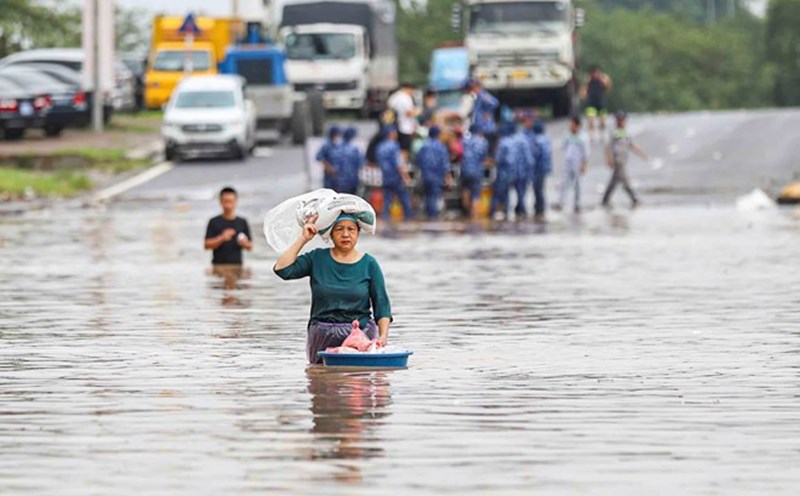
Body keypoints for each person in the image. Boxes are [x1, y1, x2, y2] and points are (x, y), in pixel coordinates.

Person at [274, 213, 393, 364]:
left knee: (358, 382)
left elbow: (382, 305)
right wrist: (303, 238)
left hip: (360, 332)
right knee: (322, 379)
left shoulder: (369, 264)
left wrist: (383, 337)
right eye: (339, 229)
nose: (345, 234)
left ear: (358, 233)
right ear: (330, 233)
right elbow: (282, 270)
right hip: (322, 334)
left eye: (351, 229)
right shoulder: (317, 258)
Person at [602, 111, 647, 208]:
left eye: (623, 120)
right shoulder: (614, 132)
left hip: (623, 159)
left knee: (614, 182)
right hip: (617, 160)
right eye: (619, 120)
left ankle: (605, 200)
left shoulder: (626, 132)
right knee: (625, 181)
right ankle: (634, 199)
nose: (621, 122)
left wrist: (640, 153)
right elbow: (608, 146)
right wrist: (608, 158)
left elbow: (630, 145)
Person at [204, 186, 253, 265]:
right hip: (218, 266)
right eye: (226, 202)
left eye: (231, 202)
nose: (228, 205)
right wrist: (222, 238)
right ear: (220, 202)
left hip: (237, 265)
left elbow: (250, 246)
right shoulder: (213, 221)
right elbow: (206, 245)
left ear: (236, 201)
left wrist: (243, 243)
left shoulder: (242, 222)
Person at [553, 117, 590, 213]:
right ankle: (560, 202)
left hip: (578, 162)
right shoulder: (567, 135)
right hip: (568, 162)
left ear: (577, 126)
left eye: (572, 125)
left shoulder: (584, 137)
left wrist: (584, 164)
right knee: (564, 182)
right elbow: (564, 146)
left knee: (578, 184)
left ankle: (577, 204)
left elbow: (586, 152)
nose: (570, 126)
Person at [415, 126, 452, 219]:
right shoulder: (441, 147)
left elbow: (418, 160)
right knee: (433, 197)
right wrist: (448, 178)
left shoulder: (423, 146)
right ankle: (432, 219)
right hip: (436, 177)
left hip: (425, 176)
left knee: (427, 197)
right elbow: (445, 164)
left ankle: (429, 216)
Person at [376, 126, 413, 220]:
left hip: (385, 176)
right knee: (404, 198)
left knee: (387, 199)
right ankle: (408, 218)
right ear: (391, 134)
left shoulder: (380, 147)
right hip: (396, 177)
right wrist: (406, 176)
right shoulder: (394, 146)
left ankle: (385, 218)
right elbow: (398, 163)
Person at [489, 122, 518, 220]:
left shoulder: (502, 143)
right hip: (512, 173)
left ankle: (491, 213)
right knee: (507, 194)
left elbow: (498, 158)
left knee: (497, 193)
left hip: (503, 172)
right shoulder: (514, 141)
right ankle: (506, 213)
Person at [460, 78, 499, 150]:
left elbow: (494, 103)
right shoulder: (475, 97)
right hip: (477, 129)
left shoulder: (482, 95)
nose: (467, 91)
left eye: (469, 89)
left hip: (484, 129)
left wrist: (488, 112)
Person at [460, 124, 489, 219]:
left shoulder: (464, 141)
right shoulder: (483, 142)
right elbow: (484, 157)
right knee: (476, 193)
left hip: (464, 169)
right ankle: (475, 215)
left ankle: (466, 213)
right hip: (477, 170)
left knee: (465, 190)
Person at [387, 82, 420, 163]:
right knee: (404, 150)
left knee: (396, 149)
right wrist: (418, 111)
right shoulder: (405, 98)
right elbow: (409, 113)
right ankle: (402, 166)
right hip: (405, 128)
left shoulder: (394, 97)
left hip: (394, 127)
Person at [580, 65, 612, 142]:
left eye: (597, 73)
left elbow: (608, 86)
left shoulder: (602, 80)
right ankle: (591, 136)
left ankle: (602, 135)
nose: (595, 74)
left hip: (601, 103)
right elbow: (583, 91)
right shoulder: (589, 81)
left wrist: (602, 78)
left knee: (603, 121)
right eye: (594, 73)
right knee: (591, 121)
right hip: (591, 103)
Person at [530, 120, 553, 223]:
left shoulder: (536, 140)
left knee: (537, 189)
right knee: (541, 189)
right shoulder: (546, 138)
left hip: (537, 168)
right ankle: (541, 209)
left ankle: (539, 210)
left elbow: (534, 155)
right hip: (545, 168)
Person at [512, 122, 535, 219]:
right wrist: (530, 172)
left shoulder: (512, 140)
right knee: (522, 192)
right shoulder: (525, 141)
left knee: (517, 191)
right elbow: (529, 160)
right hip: (523, 172)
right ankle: (523, 210)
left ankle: (518, 209)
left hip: (513, 171)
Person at [337, 127, 364, 195]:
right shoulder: (354, 149)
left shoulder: (338, 148)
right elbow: (361, 163)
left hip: (340, 180)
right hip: (352, 179)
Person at [317, 125, 342, 190]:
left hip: (337, 174)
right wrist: (328, 167)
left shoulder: (336, 145)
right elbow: (319, 157)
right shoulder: (326, 145)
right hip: (329, 174)